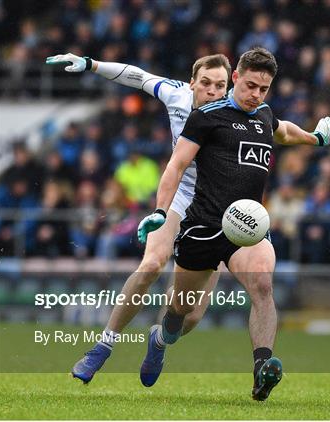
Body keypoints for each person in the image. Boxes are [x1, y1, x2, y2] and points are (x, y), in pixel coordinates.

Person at [136, 47, 330, 400]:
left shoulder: (263, 113)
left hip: (245, 227)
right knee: (184, 314)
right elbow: (176, 165)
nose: (256, 95)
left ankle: (262, 368)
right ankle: (161, 337)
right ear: (235, 77)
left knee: (263, 286)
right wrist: (160, 210)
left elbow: (284, 132)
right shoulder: (206, 116)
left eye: (263, 89)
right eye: (250, 86)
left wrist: (315, 137)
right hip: (202, 225)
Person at [45, 52, 231, 383]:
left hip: (215, 212)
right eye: (205, 83)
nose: (212, 91)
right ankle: (102, 347)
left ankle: (159, 340)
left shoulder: (238, 114)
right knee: (150, 265)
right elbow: (136, 75)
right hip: (180, 199)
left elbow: (277, 130)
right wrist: (92, 64)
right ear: (192, 83)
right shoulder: (176, 95)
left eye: (220, 85)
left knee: (188, 316)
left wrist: (314, 137)